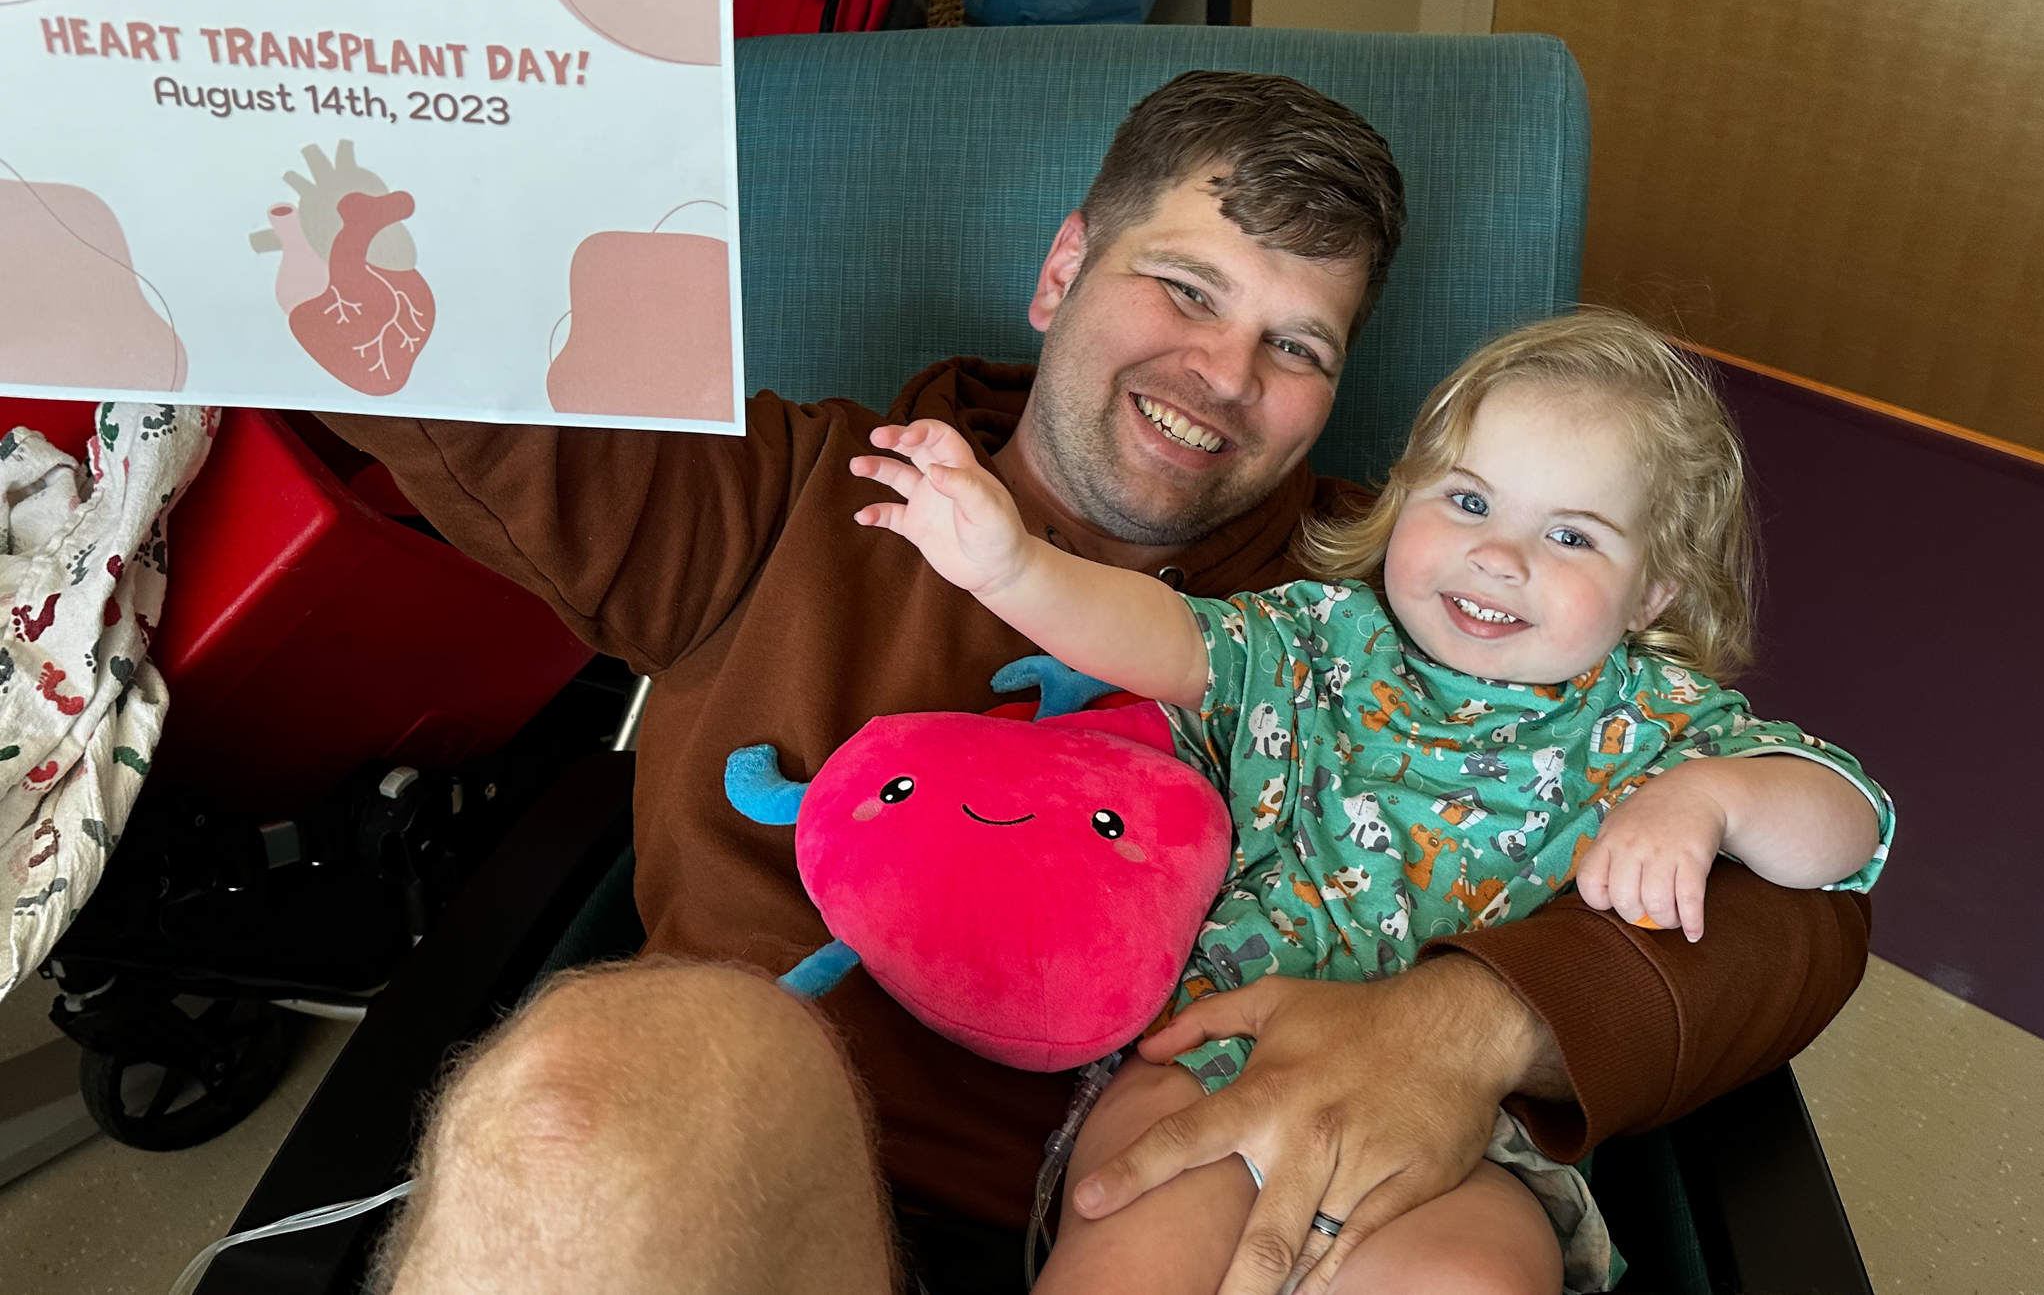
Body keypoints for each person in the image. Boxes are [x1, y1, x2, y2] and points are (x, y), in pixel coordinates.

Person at [328, 71, 1875, 1295]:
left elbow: (1803, 895)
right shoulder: (795, 493)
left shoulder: (1383, 614)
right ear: (1064, 266)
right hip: (739, 1196)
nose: (1223, 377)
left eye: (1300, 345)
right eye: (1185, 287)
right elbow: (426, 367)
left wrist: (1462, 1024)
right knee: (588, 1078)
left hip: (1213, 1212)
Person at [850, 311, 1892, 1293]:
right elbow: (1160, 635)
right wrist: (1013, 566)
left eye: (1571, 537)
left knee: (1473, 1276)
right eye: (1469, 501)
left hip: (1469, 1129)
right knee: (1140, 1241)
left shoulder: (1653, 721)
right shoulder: (1317, 639)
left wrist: (1713, 799)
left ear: (1653, 591)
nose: (1499, 555)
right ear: (1403, 498)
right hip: (1212, 1066)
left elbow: (1850, 828)